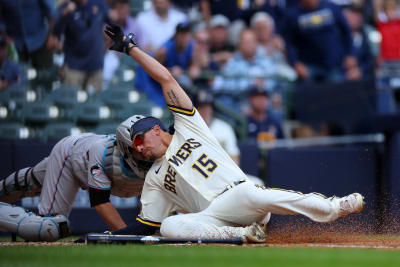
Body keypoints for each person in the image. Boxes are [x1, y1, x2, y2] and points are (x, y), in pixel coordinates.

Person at [104, 24, 365, 242]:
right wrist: (110, 238)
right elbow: (145, 225)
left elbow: (166, 79)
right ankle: (241, 235)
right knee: (169, 228)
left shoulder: (187, 126)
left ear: (156, 129)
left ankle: (332, 207)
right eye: (133, 147)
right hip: (214, 218)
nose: (138, 148)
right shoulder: (153, 179)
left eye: (138, 140)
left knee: (252, 193)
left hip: (239, 197)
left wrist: (130, 48)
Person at [0, 116, 153, 241]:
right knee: (48, 227)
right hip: (70, 155)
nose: (144, 149)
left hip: (84, 148)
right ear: (126, 145)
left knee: (31, 180)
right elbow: (100, 201)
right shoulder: (103, 152)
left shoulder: (160, 157)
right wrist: (127, 237)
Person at [282, 0, 361, 82]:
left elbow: (346, 33)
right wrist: (295, 63)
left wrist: (350, 54)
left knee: (338, 92)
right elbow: (289, 42)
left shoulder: (331, 7)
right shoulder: (292, 15)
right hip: (308, 66)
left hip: (335, 64)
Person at [53, 0, 113, 93]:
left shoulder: (98, 4)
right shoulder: (67, 7)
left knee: (93, 104)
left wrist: (106, 45)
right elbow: (56, 33)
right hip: (74, 67)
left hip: (95, 66)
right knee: (71, 103)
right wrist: (64, 14)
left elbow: (113, 25)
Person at [0, 0, 57, 69]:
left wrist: (53, 36)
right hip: (14, 44)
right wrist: (5, 36)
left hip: (40, 40)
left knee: (47, 74)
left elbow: (52, 13)